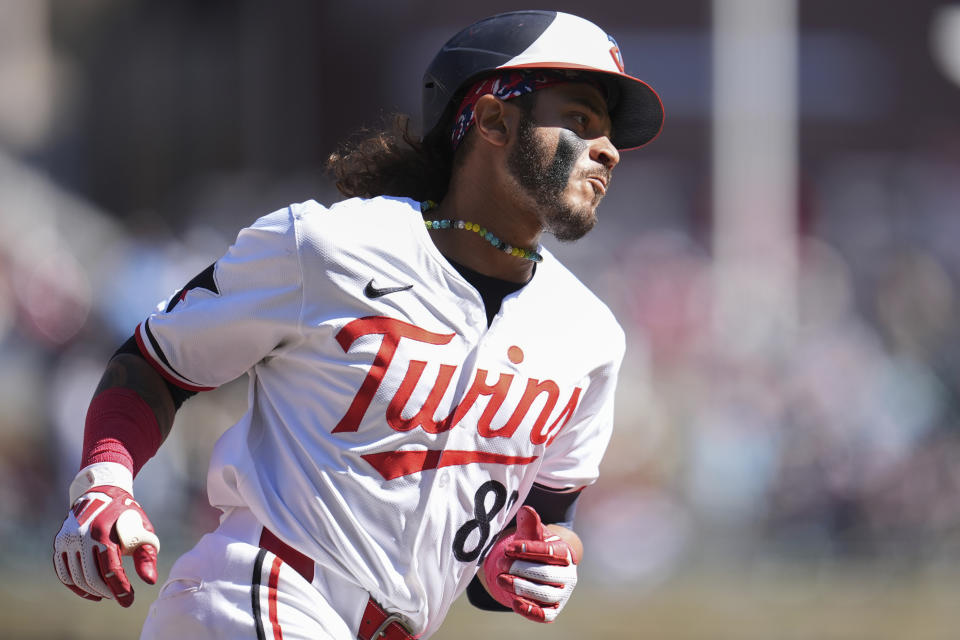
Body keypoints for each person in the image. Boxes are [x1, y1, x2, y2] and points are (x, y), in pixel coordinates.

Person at [53, 9, 663, 640]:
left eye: (609, 130)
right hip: (256, 595)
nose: (609, 149)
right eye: (582, 118)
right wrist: (104, 481)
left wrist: (532, 560)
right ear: (492, 120)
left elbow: (543, 520)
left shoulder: (589, 336)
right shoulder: (329, 247)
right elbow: (155, 363)